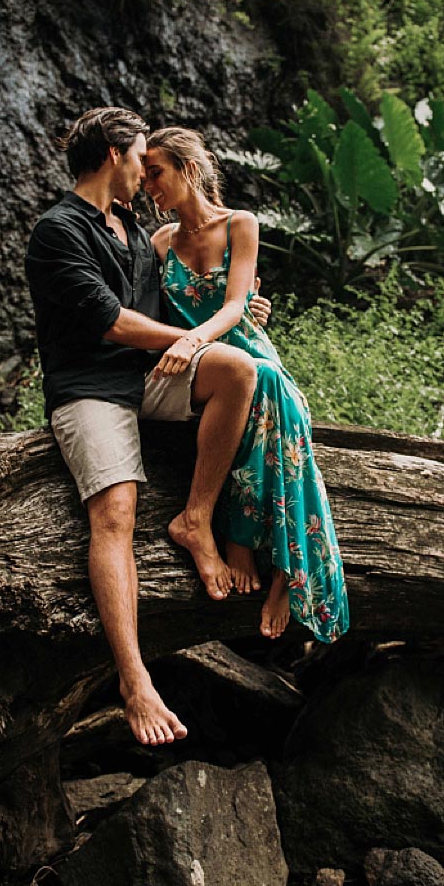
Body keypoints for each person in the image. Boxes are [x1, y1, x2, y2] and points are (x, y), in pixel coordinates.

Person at [25, 106, 263, 747]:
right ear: (113, 155)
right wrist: (193, 338)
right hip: (90, 389)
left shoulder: (132, 226)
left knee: (239, 372)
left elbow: (182, 290)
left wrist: (234, 314)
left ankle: (197, 518)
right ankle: (136, 683)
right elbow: (112, 322)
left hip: (148, 378)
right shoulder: (57, 231)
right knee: (116, 512)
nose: (144, 172)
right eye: (139, 159)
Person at [140, 126, 350, 645]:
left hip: (242, 350)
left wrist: (194, 339)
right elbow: (147, 314)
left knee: (270, 380)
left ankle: (265, 558)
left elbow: (236, 307)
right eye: (142, 175)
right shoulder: (159, 242)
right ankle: (267, 555)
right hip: (209, 368)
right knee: (265, 387)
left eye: (155, 172)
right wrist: (189, 346)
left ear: (188, 169)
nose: (147, 185)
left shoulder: (241, 224)